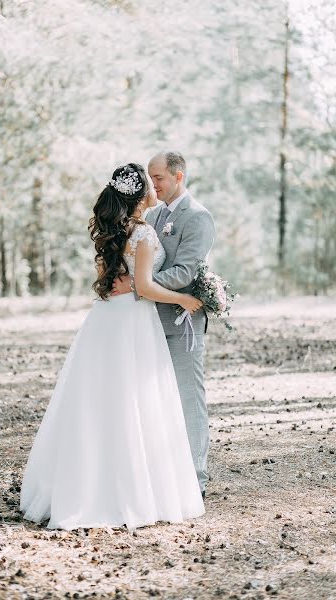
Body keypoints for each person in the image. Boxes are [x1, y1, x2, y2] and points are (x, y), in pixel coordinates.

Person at [19, 163, 205, 531]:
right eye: (148, 183)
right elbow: (146, 287)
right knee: (133, 399)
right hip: (134, 320)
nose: (154, 186)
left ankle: (84, 485)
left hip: (104, 320)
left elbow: (108, 278)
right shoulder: (143, 232)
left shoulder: (112, 231)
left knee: (98, 398)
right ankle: (129, 492)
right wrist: (184, 299)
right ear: (140, 196)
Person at [112, 152, 215, 498]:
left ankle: (196, 479)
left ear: (179, 176)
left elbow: (186, 272)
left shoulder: (198, 217)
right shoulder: (151, 215)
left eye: (158, 178)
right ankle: (161, 475)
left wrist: (141, 285)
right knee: (155, 401)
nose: (152, 184)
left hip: (182, 321)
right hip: (146, 323)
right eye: (151, 178)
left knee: (188, 397)